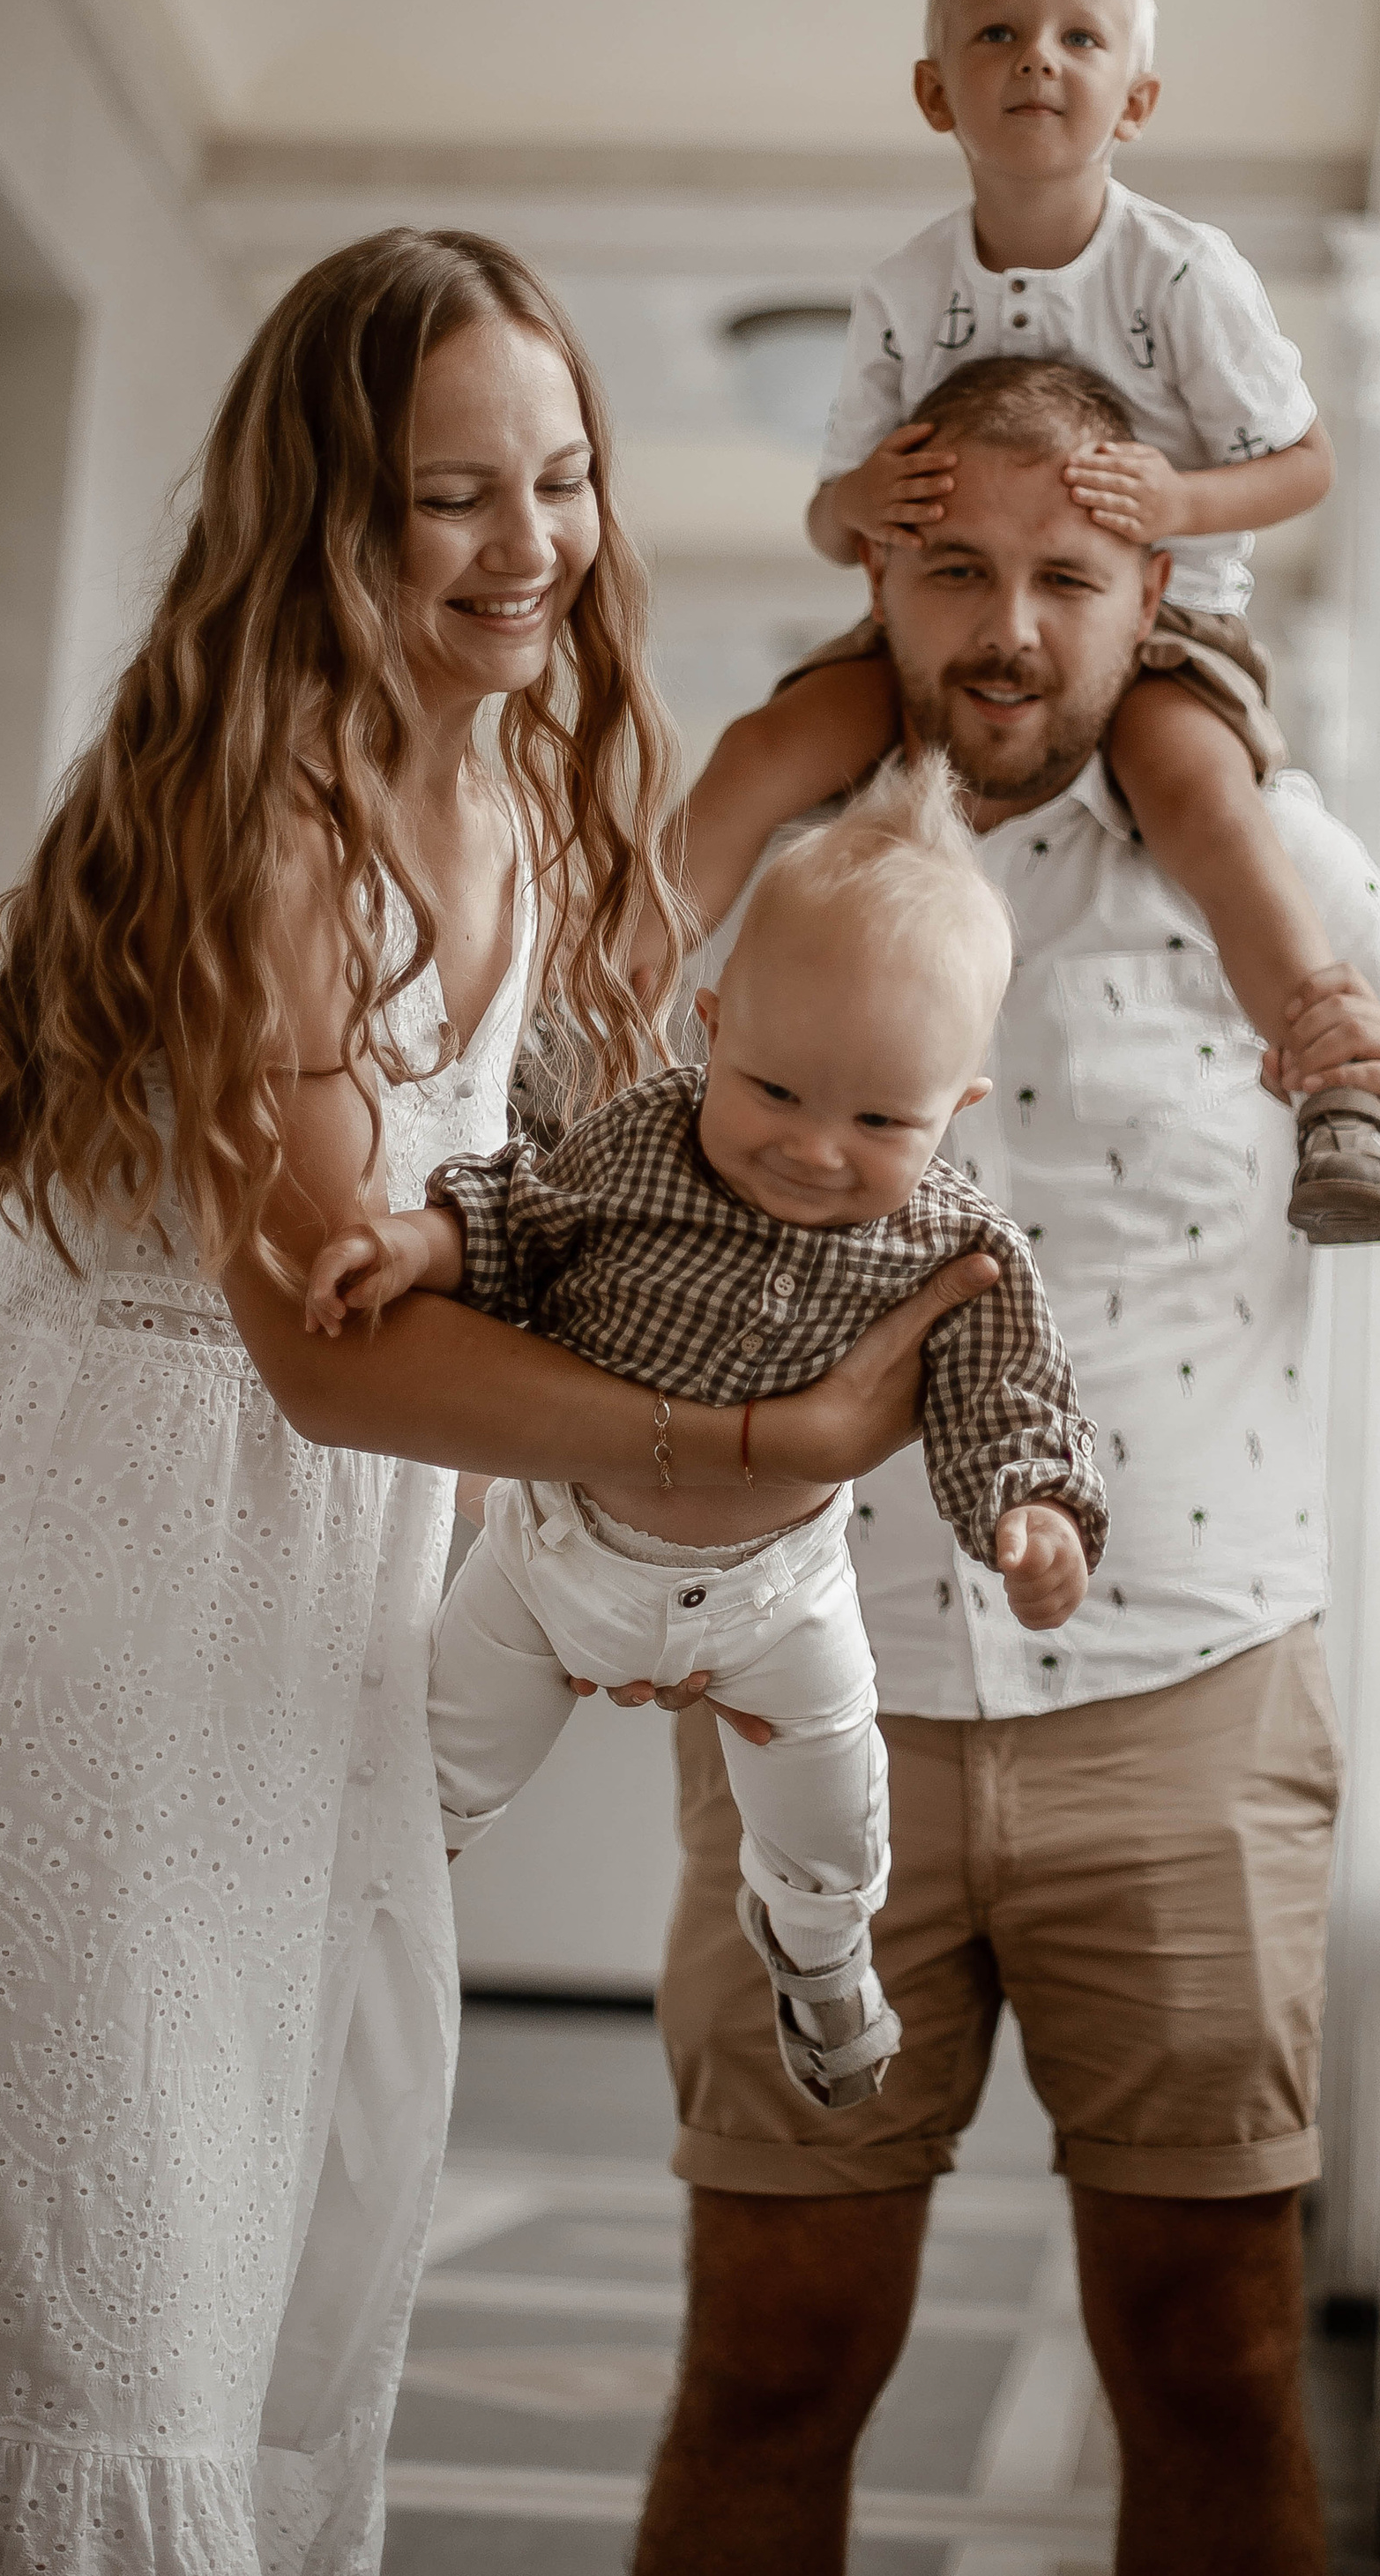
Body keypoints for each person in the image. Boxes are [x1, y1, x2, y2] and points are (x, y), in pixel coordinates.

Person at [0, 228, 992, 2576]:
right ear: (328, 515)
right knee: (76, 2314)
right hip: (91, 1603)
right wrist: (756, 1447)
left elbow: (591, 1154)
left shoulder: (506, 796)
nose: (534, 542)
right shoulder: (277, 831)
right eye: (457, 495)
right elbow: (337, 1358)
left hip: (305, 1636)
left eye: (565, 477)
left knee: (253, 2275)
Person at [623, 356, 1380, 2576]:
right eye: (957, 566)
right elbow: (597, 1182)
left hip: (1195, 1695)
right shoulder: (752, 858)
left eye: (1070, 575)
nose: (1011, 628)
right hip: (814, 1695)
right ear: (880, 567)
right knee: (773, 2350)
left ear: (1159, 588)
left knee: (1216, 2360)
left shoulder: (1273, 855)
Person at [302, 753, 1106, 2114]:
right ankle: (352, 1921)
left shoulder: (957, 1243)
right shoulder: (647, 1140)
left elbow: (1006, 1391)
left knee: (830, 1808)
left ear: (956, 1109)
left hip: (776, 1597)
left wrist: (1034, 1515)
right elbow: (522, 1214)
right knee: (431, 1762)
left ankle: (821, 1953)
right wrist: (417, 1240)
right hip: (556, 1554)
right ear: (715, 1024)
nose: (813, 1148)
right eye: (777, 1091)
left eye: (878, 1120)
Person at [664, 0, 1380, 1248]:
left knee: (1199, 793)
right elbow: (832, 525)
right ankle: (588, 1019)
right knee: (772, 743)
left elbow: (1305, 464)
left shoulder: (1183, 277)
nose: (1038, 62)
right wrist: (862, 500)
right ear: (933, 89)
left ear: (1135, 99)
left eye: (1082, 39)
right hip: (930, 619)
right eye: (1000, 34)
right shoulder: (905, 291)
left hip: (1167, 625)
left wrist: (1183, 499)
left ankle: (1333, 1081)